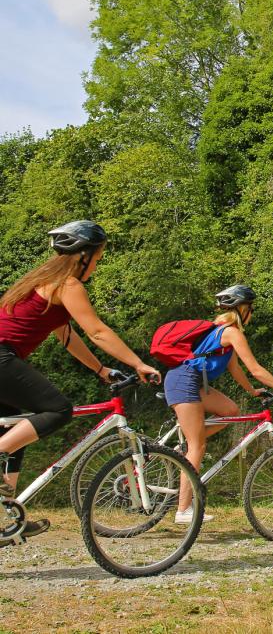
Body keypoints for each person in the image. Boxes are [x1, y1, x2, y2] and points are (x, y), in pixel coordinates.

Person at [0, 219, 159, 538]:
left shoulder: (45, 282)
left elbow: (67, 336)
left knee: (16, 432)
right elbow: (97, 331)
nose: (97, 266)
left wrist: (100, 369)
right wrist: (138, 363)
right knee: (58, 410)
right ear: (83, 256)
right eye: (97, 258)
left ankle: (8, 517)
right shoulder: (67, 285)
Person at [165, 284, 273, 523]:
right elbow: (255, 369)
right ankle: (183, 510)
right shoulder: (231, 333)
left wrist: (253, 391)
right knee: (198, 446)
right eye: (251, 309)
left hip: (190, 382)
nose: (252, 314)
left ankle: (186, 445)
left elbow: (235, 368)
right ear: (242, 309)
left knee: (230, 411)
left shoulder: (222, 333)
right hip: (184, 381)